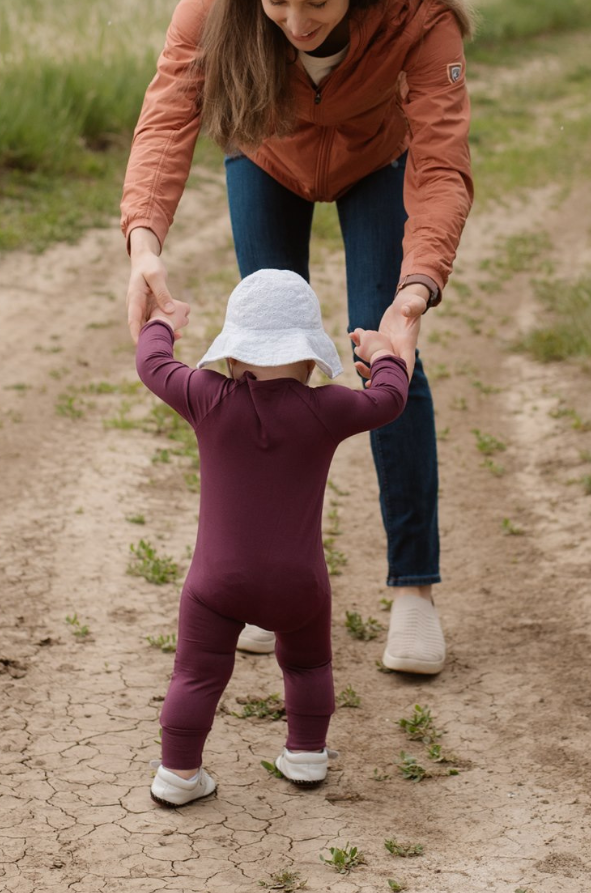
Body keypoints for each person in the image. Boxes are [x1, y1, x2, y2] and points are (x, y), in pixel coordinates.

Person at [121, 0, 473, 675]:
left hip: (378, 163)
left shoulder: (420, 17)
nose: (296, 21)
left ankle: (413, 590)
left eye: (319, 2)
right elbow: (169, 115)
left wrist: (414, 293)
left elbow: (443, 166)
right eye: (279, 1)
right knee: (268, 367)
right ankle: (260, 584)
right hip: (266, 153)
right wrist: (144, 243)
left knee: (389, 357)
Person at [138, 269, 411, 807]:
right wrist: (384, 355)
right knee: (309, 666)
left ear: (232, 358)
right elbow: (388, 400)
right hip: (299, 584)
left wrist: (162, 324)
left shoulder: (206, 397)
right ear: (312, 360)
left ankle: (178, 774)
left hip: (217, 583)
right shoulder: (327, 409)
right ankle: (307, 754)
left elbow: (152, 365)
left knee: (195, 675)